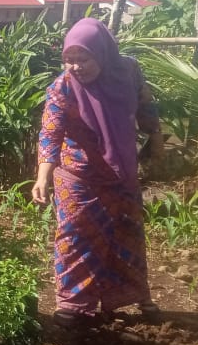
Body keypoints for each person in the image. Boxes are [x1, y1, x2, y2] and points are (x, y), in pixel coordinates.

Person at [31, 17, 163, 328]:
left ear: (102, 54)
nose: (76, 67)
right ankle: (72, 303)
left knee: (127, 236)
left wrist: (156, 136)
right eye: (69, 59)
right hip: (79, 176)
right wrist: (43, 176)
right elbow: (50, 132)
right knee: (76, 238)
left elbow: (145, 104)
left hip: (121, 174)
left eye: (84, 58)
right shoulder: (63, 86)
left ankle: (134, 294)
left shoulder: (128, 70)